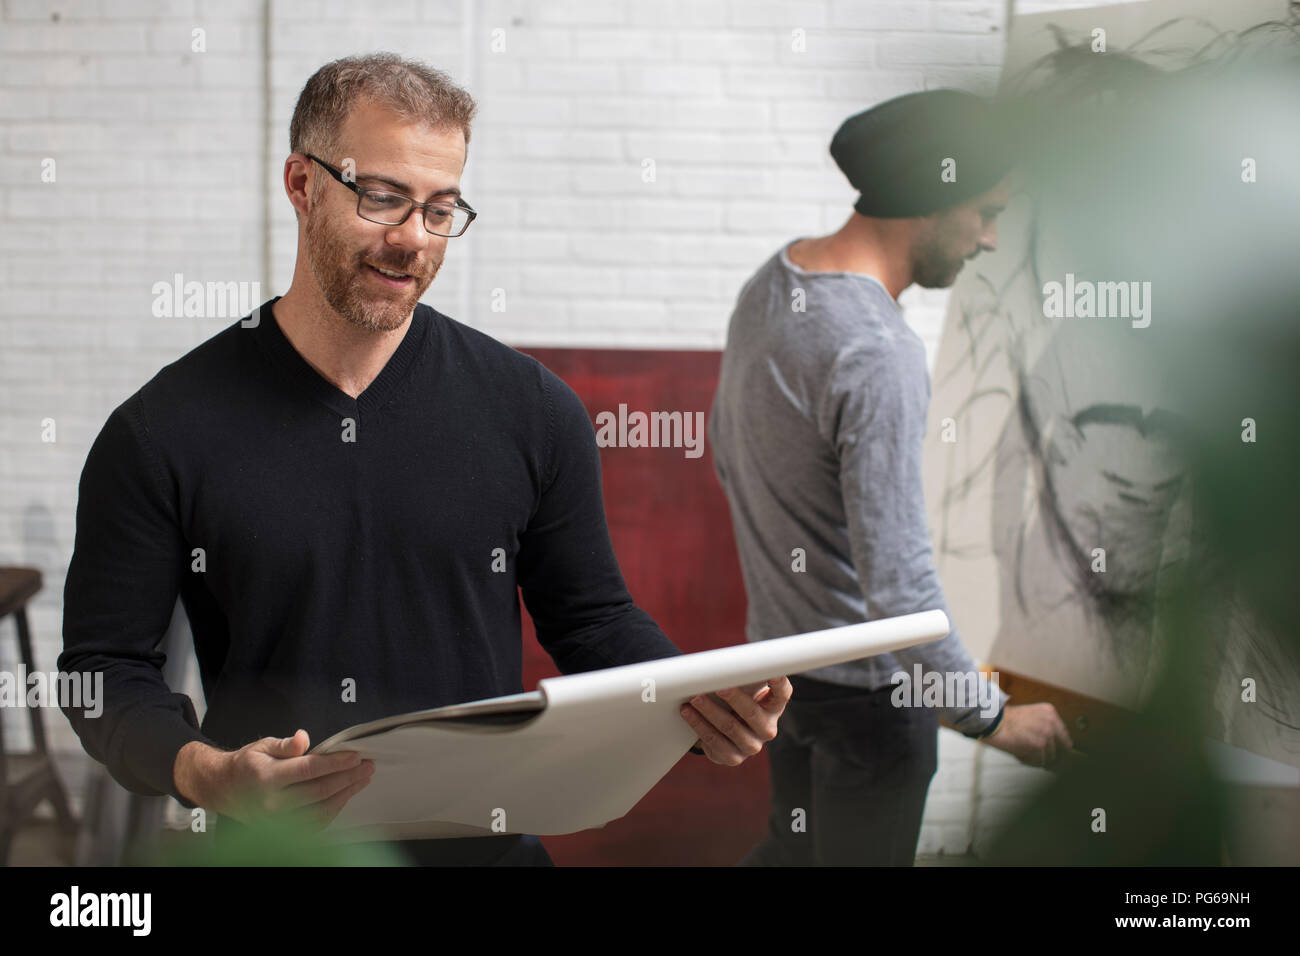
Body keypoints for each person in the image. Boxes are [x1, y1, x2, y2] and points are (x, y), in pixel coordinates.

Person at [59, 53, 789, 867]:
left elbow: (591, 619)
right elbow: (105, 669)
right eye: (382, 198)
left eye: (442, 209)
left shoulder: (533, 410)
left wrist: (687, 700)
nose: (412, 239)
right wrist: (207, 773)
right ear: (301, 185)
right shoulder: (161, 431)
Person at [708, 89, 1072, 866]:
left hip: (786, 674)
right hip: (871, 705)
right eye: (984, 212)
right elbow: (898, 588)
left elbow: (730, 460)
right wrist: (991, 719)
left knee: (790, 854)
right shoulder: (877, 349)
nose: (991, 238)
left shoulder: (771, 283)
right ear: (932, 200)